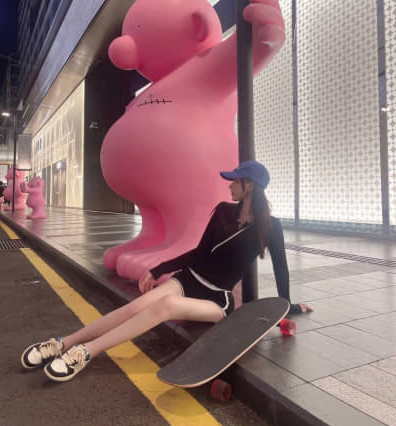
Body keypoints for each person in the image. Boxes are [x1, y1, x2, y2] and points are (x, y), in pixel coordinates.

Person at [21, 160, 312, 382]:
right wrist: (158, 269)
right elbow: (199, 253)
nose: (229, 185)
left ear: (249, 186)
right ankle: (63, 343)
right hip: (189, 279)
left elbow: (281, 270)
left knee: (166, 306)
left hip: (217, 300)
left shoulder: (271, 227)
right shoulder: (224, 211)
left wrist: (288, 306)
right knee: (137, 306)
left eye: (235, 180)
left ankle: (85, 353)